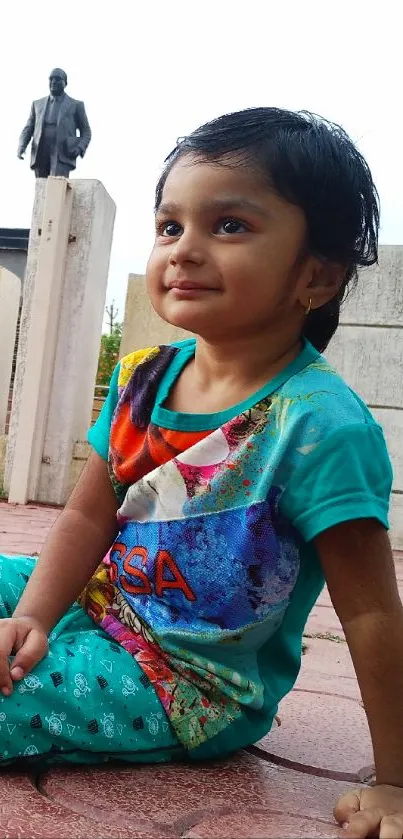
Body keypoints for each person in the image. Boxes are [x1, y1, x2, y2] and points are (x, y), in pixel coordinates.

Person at [1, 106, 402, 837]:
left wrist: (396, 780)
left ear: (315, 273)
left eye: (228, 226)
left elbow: (371, 612)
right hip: (98, 601)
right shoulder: (142, 380)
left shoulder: (317, 426)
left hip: (185, 681)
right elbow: (87, 518)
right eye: (169, 225)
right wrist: (31, 615)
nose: (182, 249)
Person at [17, 68, 91, 178]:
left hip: (63, 151)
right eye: (51, 79)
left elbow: (86, 131)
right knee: (41, 188)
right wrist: (22, 145)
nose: (53, 82)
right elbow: (28, 128)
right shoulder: (37, 104)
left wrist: (79, 148)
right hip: (40, 149)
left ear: (65, 83)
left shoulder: (76, 105)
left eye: (58, 79)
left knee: (57, 187)